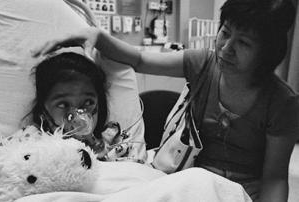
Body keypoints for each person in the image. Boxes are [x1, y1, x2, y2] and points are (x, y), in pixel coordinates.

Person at [32, 0, 299, 201]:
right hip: (187, 179)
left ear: (268, 54)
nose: (226, 48)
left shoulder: (282, 103)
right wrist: (98, 37)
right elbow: (138, 60)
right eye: (225, 33)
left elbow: (275, 179)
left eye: (244, 43)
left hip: (238, 193)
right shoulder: (203, 63)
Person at [24, 52, 142, 162]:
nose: (78, 116)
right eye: (63, 105)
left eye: (88, 103)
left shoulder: (115, 143)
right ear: (44, 113)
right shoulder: (33, 146)